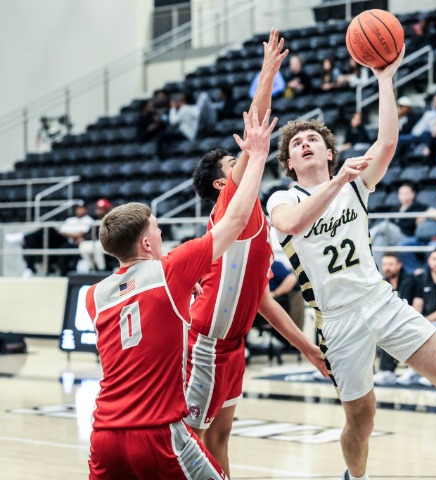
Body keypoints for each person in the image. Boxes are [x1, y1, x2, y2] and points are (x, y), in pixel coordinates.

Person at [267, 45, 436, 480]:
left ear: (328, 153)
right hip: (337, 319)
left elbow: (387, 142)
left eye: (313, 139)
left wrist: (385, 79)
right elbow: (292, 224)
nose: (305, 143)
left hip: (380, 299)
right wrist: (339, 181)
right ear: (290, 163)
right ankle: (356, 478)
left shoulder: (354, 184)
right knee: (361, 418)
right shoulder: (283, 197)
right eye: (297, 143)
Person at [85, 105, 275, 479]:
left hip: (103, 435)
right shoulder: (170, 268)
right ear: (145, 243)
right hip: (157, 432)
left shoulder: (94, 295)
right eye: (156, 228)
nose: (161, 233)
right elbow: (236, 220)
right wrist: (257, 156)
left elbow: (136, 303)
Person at [184, 31, 327, 478]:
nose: (243, 159)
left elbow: (262, 300)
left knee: (219, 439)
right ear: (221, 184)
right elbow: (256, 129)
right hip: (207, 343)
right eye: (234, 163)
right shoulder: (230, 207)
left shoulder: (257, 219)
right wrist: (268, 73)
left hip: (234, 346)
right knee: (190, 443)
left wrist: (307, 347)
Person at [397, 248, 436, 386]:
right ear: (429, 261)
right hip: (427, 319)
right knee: (412, 327)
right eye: (435, 259)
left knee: (432, 329)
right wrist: (415, 319)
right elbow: (417, 304)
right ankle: (415, 371)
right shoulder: (423, 278)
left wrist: (423, 321)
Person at [6, 202, 94, 277]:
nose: (79, 210)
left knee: (50, 230)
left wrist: (67, 234)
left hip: (70, 242)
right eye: (78, 208)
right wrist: (68, 234)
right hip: (61, 239)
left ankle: (23, 238)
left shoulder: (88, 220)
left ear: (86, 209)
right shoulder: (70, 220)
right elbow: (61, 231)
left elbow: (79, 234)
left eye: (81, 208)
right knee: (33, 240)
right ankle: (30, 268)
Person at [372, 253, 421, 386]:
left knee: (388, 330)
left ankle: (389, 371)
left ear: (399, 265)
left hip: (410, 318)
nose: (387, 268)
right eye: (385, 264)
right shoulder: (382, 283)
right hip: (390, 320)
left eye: (391, 264)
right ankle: (372, 371)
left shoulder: (409, 281)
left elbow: (408, 306)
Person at [398, 178, 436, 273]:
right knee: (402, 246)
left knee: (433, 250)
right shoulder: (433, 205)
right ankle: (414, 272)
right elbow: (418, 221)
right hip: (420, 239)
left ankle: (426, 275)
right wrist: (426, 215)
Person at [370, 183, 425, 268]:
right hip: (392, 236)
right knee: (379, 241)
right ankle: (380, 272)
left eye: (406, 193)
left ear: (412, 194)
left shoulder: (418, 207)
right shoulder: (396, 208)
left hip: (407, 237)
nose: (403, 196)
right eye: (401, 193)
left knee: (385, 225)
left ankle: (366, 238)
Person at [157, 92, 200, 158]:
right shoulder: (193, 107)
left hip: (185, 134)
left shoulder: (184, 109)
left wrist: (173, 107)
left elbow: (173, 122)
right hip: (190, 133)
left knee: (161, 136)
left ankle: (160, 157)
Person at [78, 198, 113, 273]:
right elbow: (89, 234)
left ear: (107, 209)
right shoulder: (95, 220)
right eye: (98, 208)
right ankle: (91, 268)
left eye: (102, 209)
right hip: (97, 242)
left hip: (109, 243)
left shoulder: (112, 219)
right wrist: (84, 239)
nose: (99, 210)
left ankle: (102, 269)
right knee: (83, 245)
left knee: (97, 246)